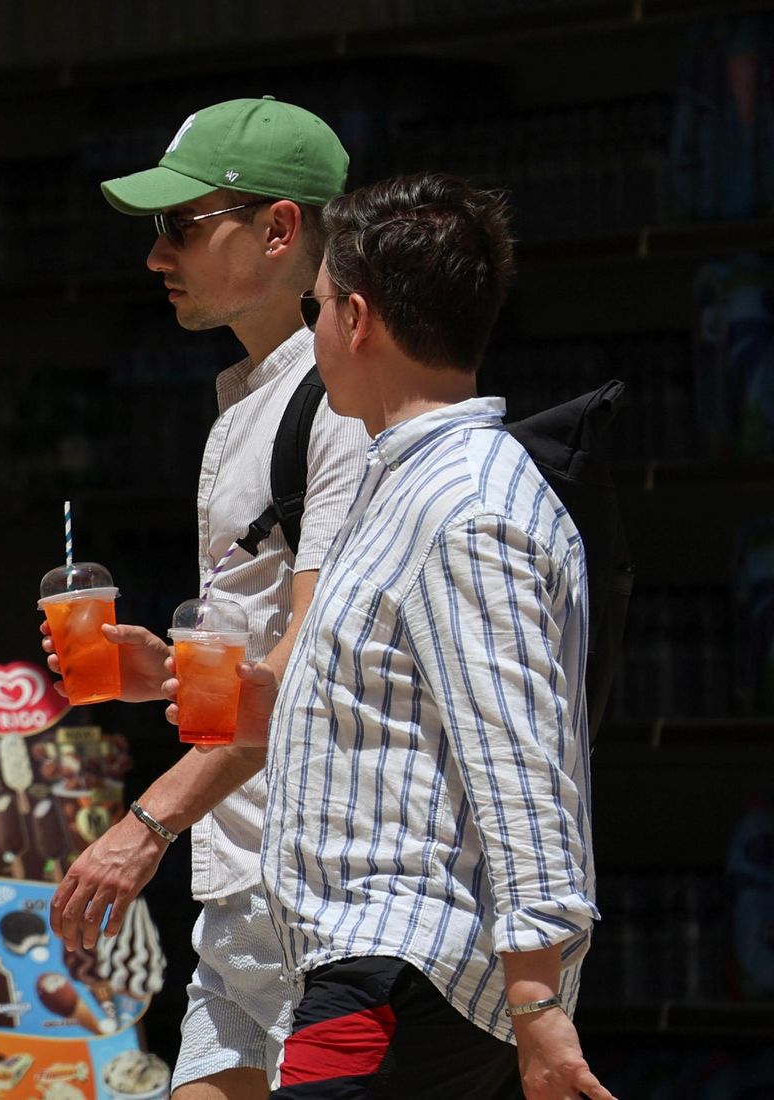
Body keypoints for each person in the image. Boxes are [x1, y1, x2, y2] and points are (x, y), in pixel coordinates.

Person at [251, 172, 613, 1100]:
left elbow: (519, 756)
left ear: (357, 319)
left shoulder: (465, 506)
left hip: (403, 970)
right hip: (382, 965)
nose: (313, 329)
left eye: (317, 306)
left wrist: (538, 1001)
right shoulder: (407, 480)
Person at [42, 97, 370, 1099]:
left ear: (278, 229)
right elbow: (265, 647)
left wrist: (148, 823)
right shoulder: (251, 399)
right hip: (243, 893)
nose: (156, 255)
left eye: (181, 225)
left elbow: (309, 666)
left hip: (329, 896)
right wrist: (167, 672)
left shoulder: (339, 404)